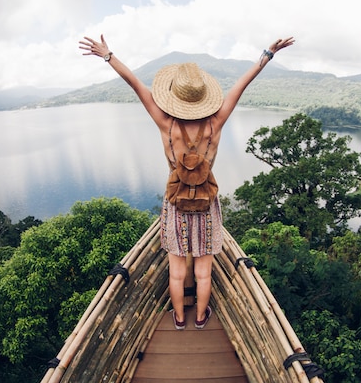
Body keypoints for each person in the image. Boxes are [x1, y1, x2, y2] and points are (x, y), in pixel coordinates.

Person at [79, 34, 294, 329]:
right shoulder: (215, 123)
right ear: (203, 97)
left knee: (177, 272)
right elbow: (241, 86)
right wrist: (267, 54)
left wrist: (108, 55)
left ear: (176, 98)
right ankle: (201, 318)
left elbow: (135, 85)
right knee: (204, 272)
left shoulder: (166, 124)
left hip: (176, 205)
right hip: (206, 206)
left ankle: (179, 318)